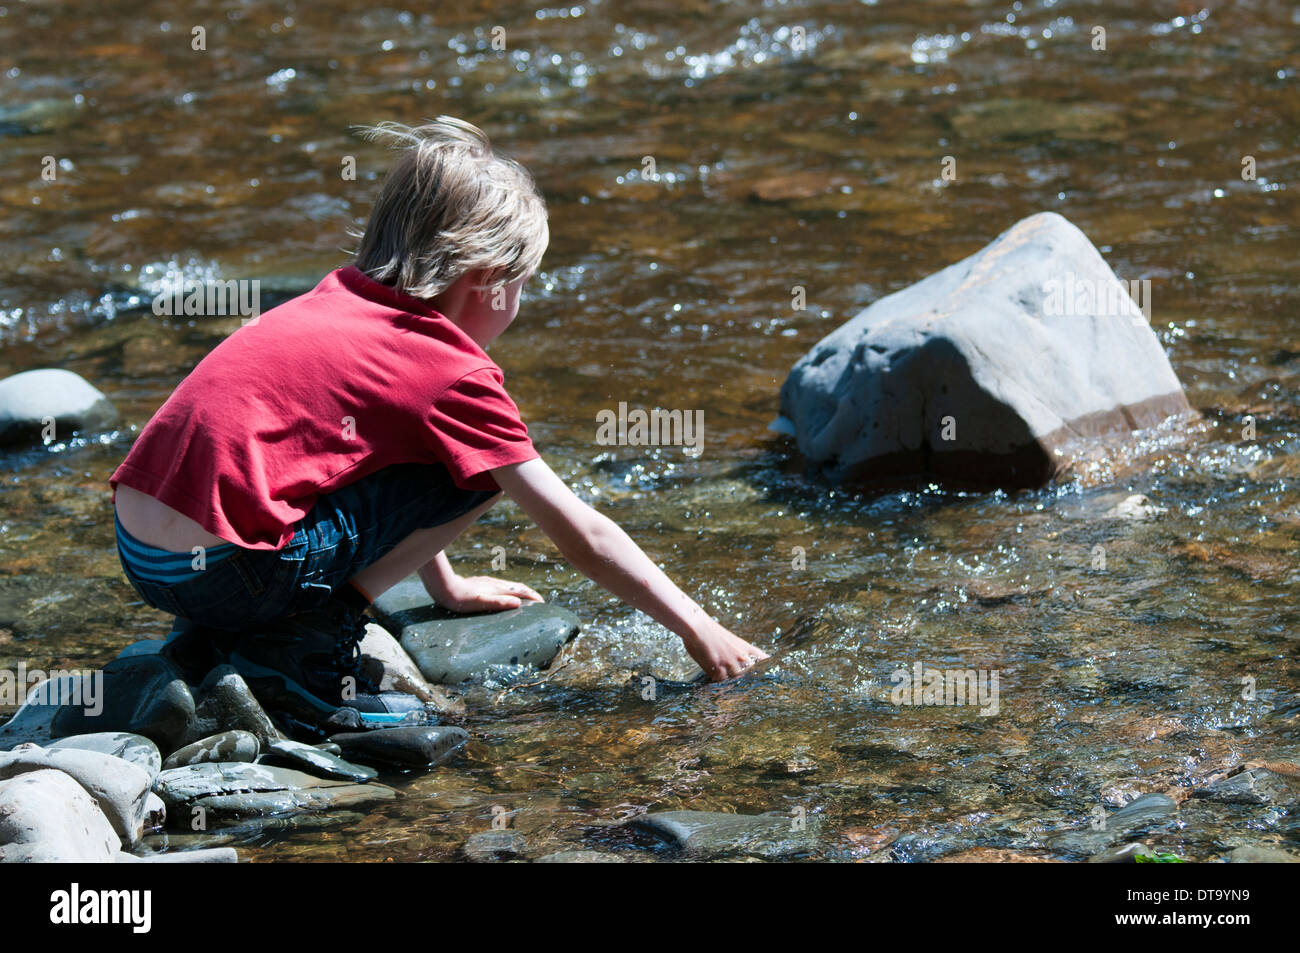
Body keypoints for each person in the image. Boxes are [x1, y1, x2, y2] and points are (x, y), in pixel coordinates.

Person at [111, 116, 767, 734]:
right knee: (481, 472)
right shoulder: (450, 372)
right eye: (523, 284)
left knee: (433, 455)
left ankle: (215, 639)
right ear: (486, 281)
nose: (521, 302)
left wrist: (445, 586)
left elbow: (381, 448)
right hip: (232, 574)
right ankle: (304, 645)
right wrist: (698, 627)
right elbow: (583, 532)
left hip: (145, 559)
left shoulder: (338, 296)